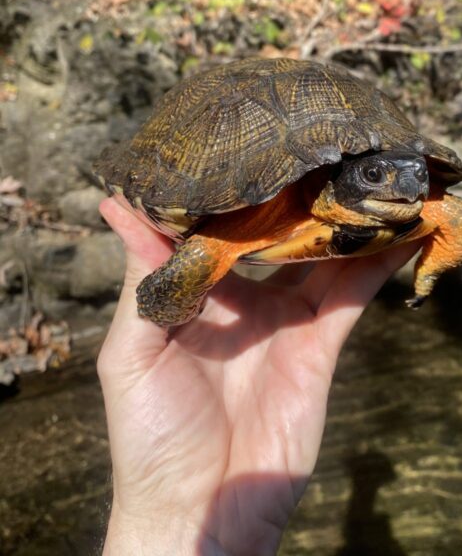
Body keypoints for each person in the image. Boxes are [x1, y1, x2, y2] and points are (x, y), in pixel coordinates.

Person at [98, 196, 419, 555]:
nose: (406, 186)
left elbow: (455, 215)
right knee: (193, 263)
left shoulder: (395, 197)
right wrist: (169, 513)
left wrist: (176, 525)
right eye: (372, 176)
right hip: (230, 225)